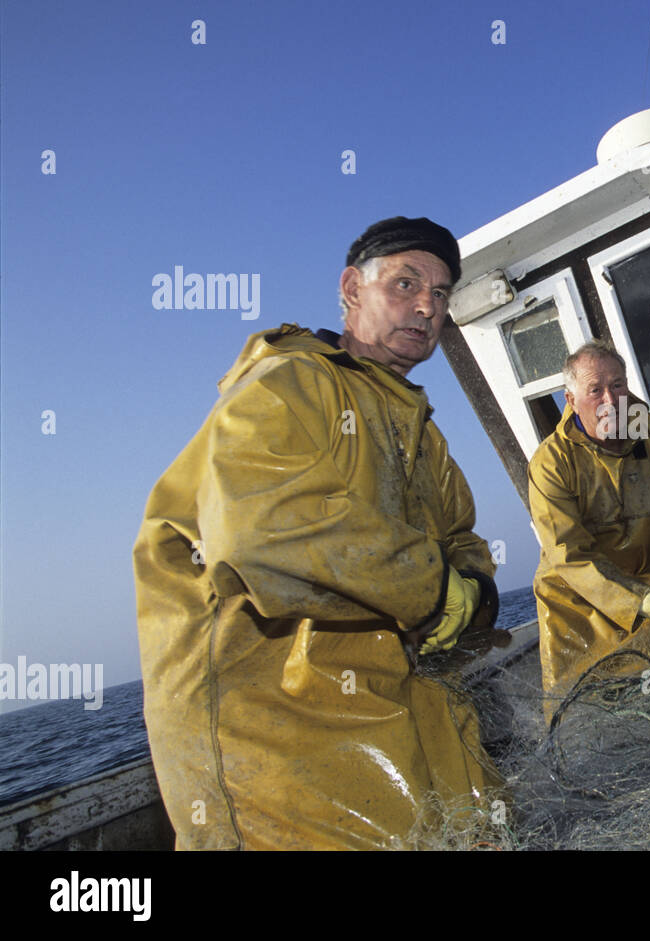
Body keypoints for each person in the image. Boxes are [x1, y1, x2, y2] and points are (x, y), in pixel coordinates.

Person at [133, 216, 504, 849]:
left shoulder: (421, 428)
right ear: (351, 289)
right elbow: (260, 528)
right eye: (405, 283)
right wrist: (435, 591)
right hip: (276, 730)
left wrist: (472, 588)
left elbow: (460, 534)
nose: (425, 306)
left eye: (440, 294)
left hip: (388, 702)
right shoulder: (290, 382)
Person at [528, 340, 650, 718]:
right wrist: (640, 601)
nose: (610, 399)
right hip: (575, 608)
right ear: (571, 400)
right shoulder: (549, 463)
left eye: (617, 385)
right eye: (595, 389)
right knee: (582, 715)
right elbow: (569, 553)